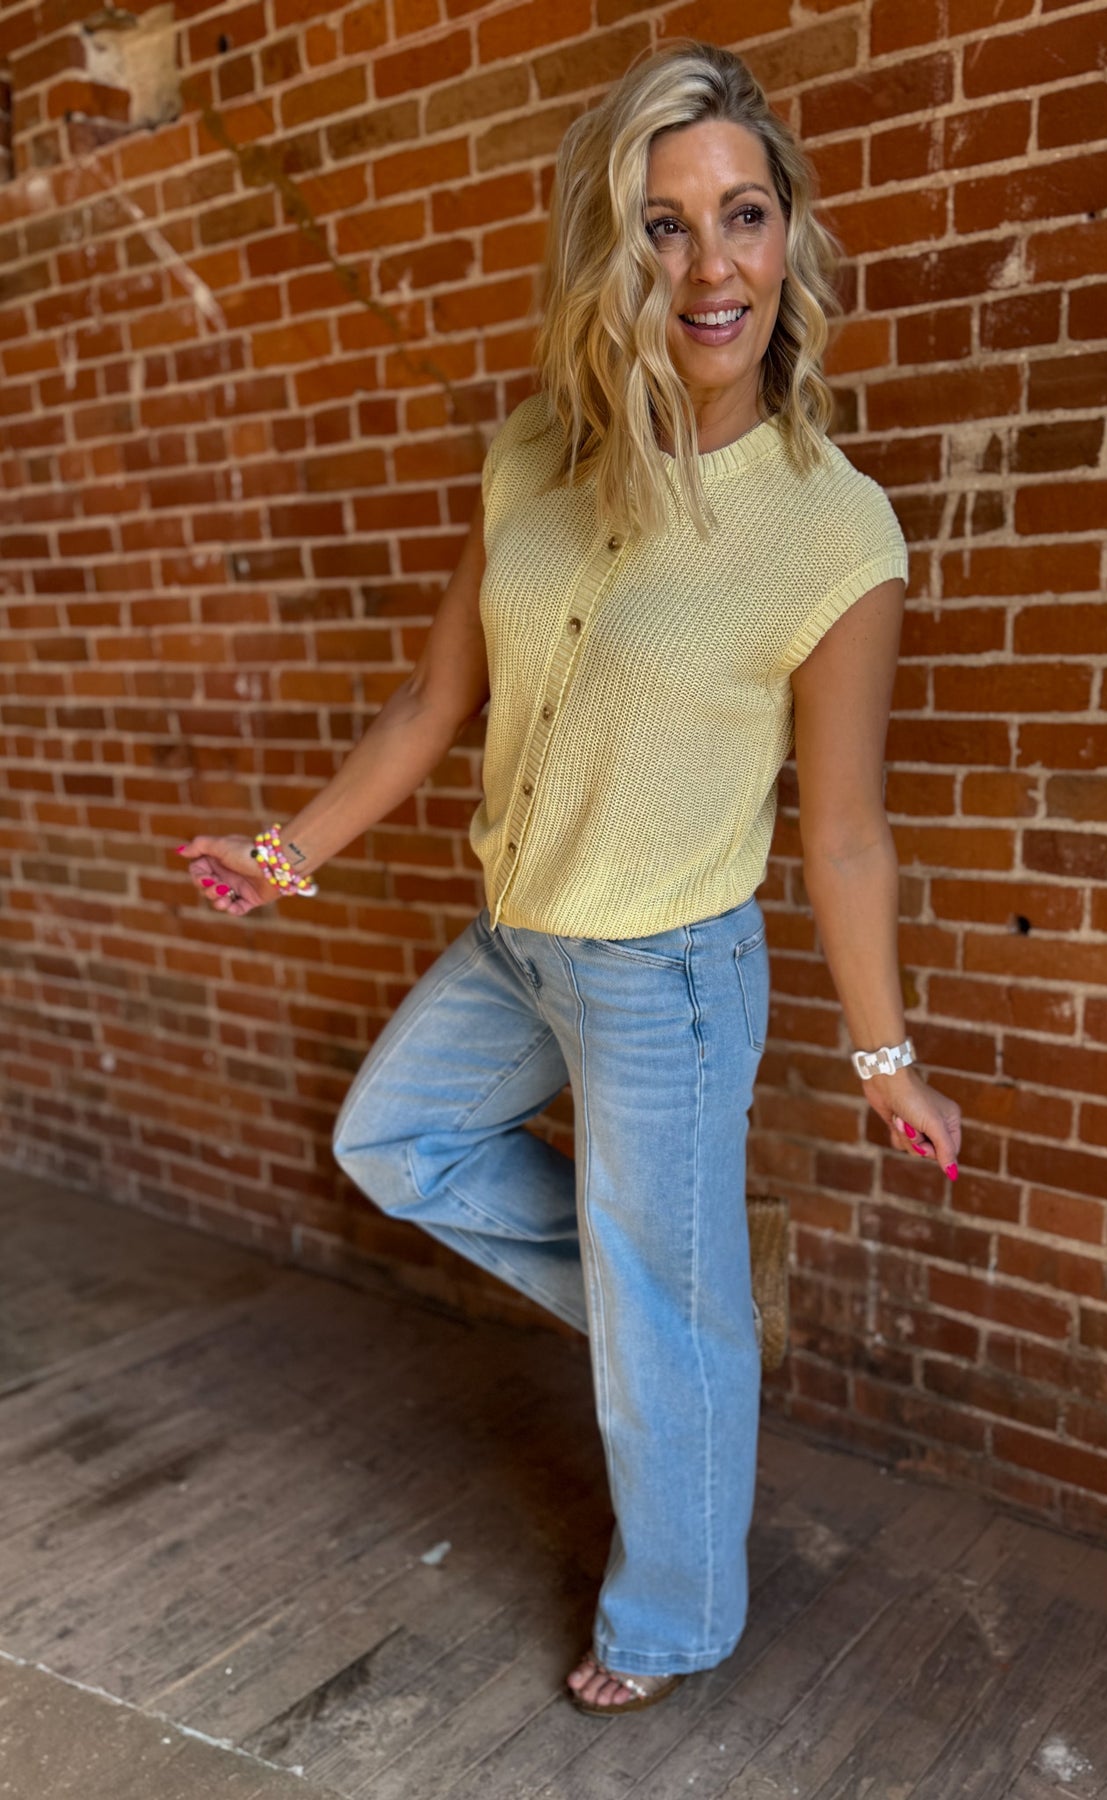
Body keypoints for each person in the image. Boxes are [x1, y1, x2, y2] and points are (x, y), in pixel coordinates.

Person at [178, 41, 962, 1719]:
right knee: (394, 1144)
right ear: (616, 250)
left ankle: (673, 1617)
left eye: (741, 215)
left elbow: (841, 829)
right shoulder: (535, 448)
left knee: (664, 1317)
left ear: (787, 236)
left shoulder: (833, 532)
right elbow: (432, 700)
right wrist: (285, 853)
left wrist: (886, 1055)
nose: (709, 264)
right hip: (519, 942)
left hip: (668, 974)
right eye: (663, 224)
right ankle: (677, 1321)